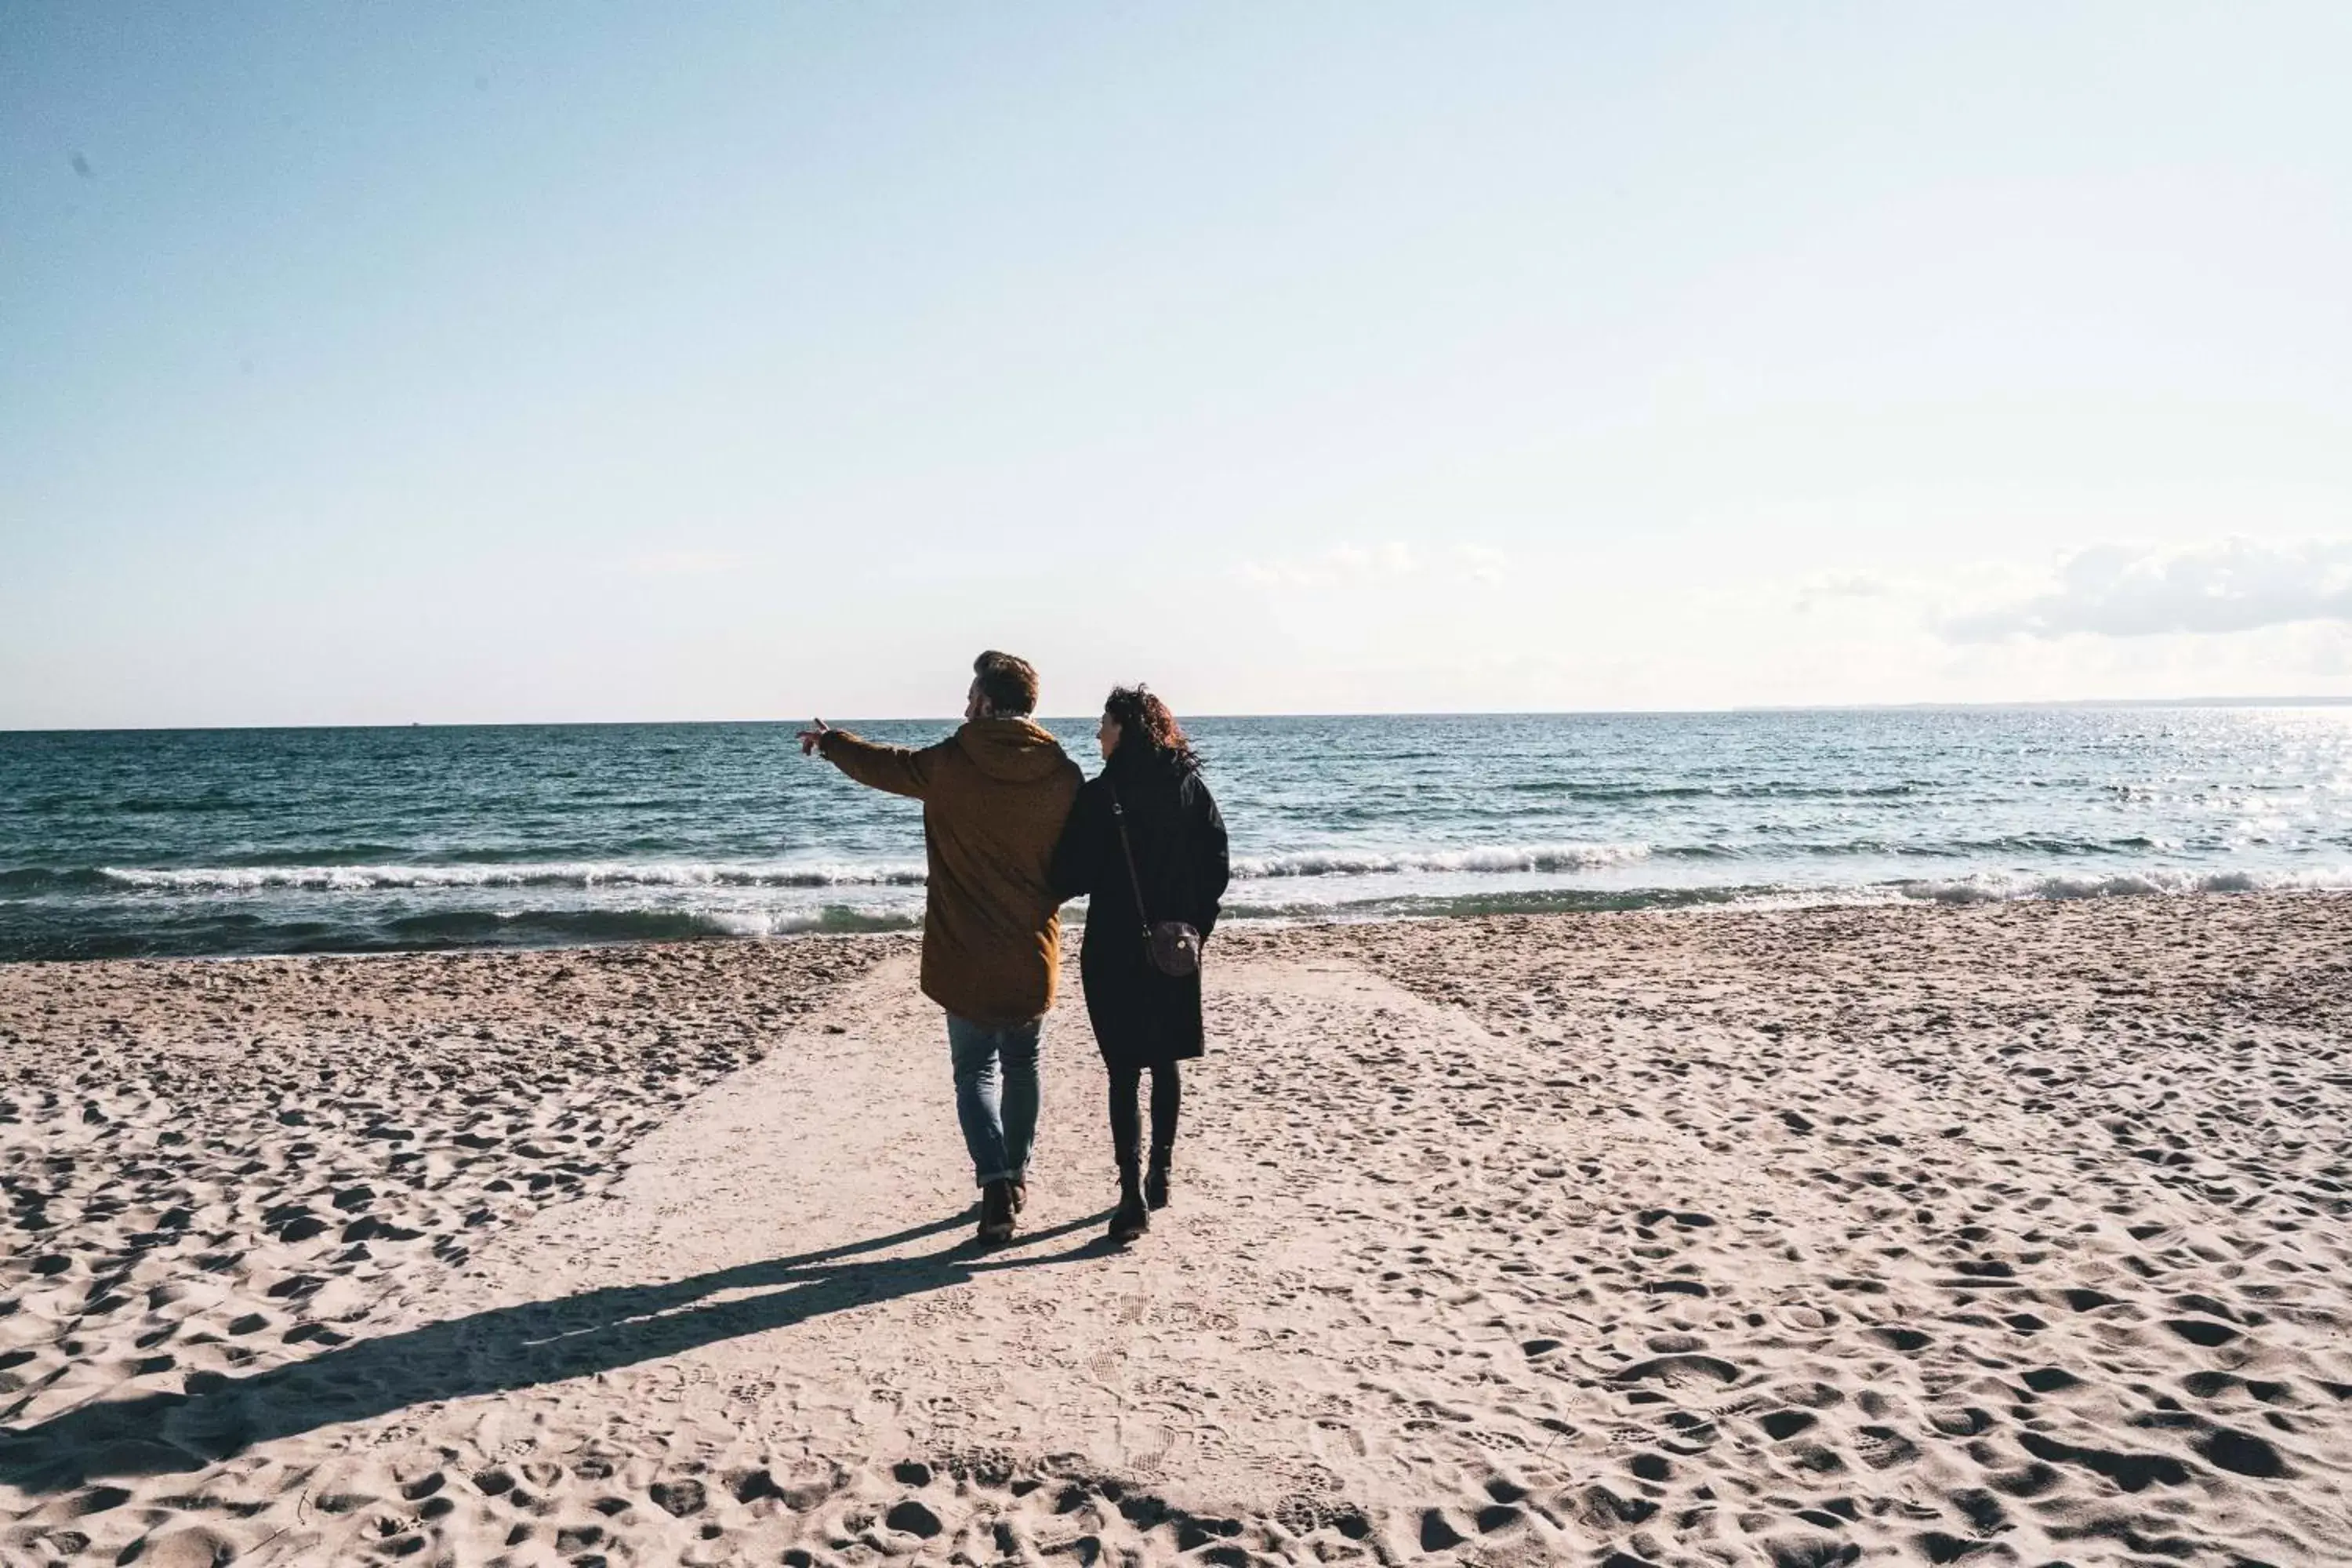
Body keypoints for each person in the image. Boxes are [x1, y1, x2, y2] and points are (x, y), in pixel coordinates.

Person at [799, 652, 1082, 1243]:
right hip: (1032, 951)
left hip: (965, 954)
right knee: (1023, 1065)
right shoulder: (1061, 772)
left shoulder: (952, 763)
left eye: (970, 694)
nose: (963, 704)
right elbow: (1082, 855)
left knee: (974, 1070)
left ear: (985, 702)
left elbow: (886, 766)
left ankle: (996, 1185)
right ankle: (1017, 1174)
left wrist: (831, 743)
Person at [1051, 685, 1230, 1243]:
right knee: (1166, 1061)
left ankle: (1130, 1196)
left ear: (1125, 729)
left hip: (1112, 948)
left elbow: (1071, 876)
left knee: (1124, 1071)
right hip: (1176, 948)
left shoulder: (1102, 795)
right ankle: (1162, 1174)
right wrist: (1196, 928)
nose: (1098, 734)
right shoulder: (1188, 787)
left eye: (1104, 724)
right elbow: (1217, 867)